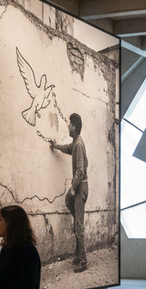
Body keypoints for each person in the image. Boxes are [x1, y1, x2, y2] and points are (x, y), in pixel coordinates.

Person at [50, 113, 89, 272]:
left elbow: (80, 170)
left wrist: (73, 188)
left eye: (69, 124)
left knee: (78, 226)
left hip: (80, 188)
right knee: (68, 203)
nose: (67, 126)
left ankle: (83, 261)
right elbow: (67, 148)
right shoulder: (75, 143)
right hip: (79, 187)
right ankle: (78, 253)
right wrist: (56, 146)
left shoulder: (78, 144)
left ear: (73, 126)